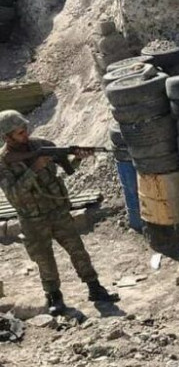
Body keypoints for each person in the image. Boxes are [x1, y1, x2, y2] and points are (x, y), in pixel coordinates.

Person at [0, 110, 119, 315]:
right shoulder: (3, 162)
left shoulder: (41, 145)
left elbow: (68, 168)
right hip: (32, 218)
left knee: (78, 250)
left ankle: (95, 288)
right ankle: (54, 296)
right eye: (20, 133)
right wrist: (34, 169)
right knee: (44, 258)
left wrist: (78, 158)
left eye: (25, 129)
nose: (26, 134)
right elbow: (14, 194)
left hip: (57, 211)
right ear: (7, 137)